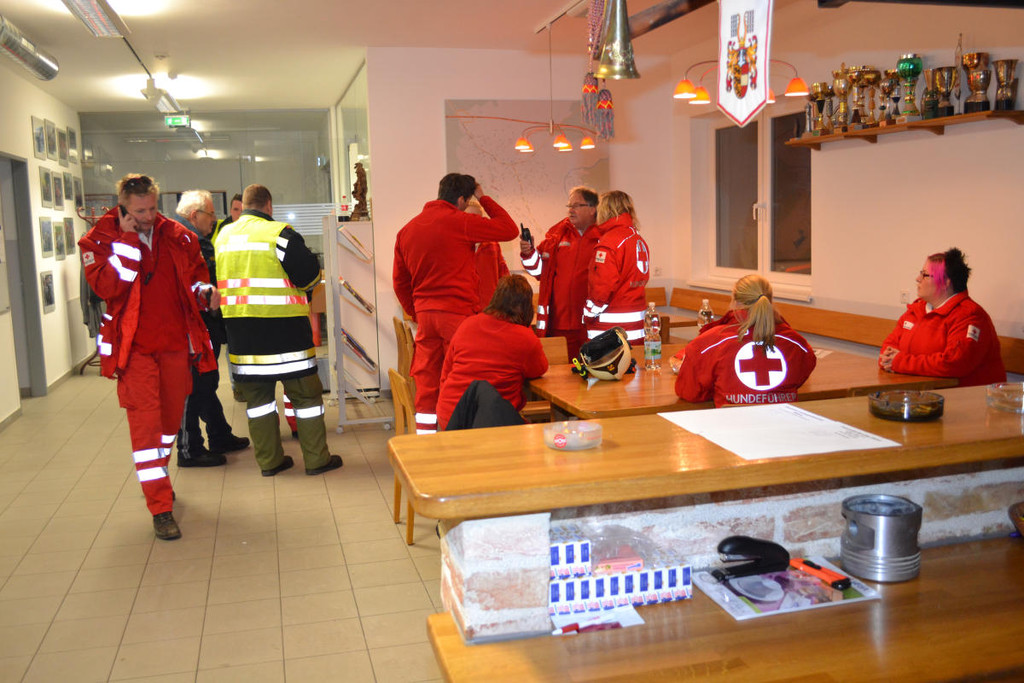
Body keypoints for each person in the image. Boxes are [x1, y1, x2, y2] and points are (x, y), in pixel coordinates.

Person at [78, 173, 218, 541]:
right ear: (123, 208)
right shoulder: (98, 240)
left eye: (153, 208)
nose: (148, 217)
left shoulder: (179, 235)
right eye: (139, 211)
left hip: (174, 347)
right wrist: (127, 241)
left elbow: (195, 279)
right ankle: (160, 507)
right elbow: (108, 287)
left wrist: (205, 292)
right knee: (145, 429)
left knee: (169, 426)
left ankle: (159, 478)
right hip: (135, 353)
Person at [215, 184, 343, 477]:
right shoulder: (280, 235)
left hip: (242, 337)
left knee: (258, 403)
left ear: (244, 205)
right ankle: (316, 460)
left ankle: (270, 462)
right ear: (269, 205)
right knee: (306, 398)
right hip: (287, 335)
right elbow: (309, 276)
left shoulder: (223, 237)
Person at [392, 173, 519, 434]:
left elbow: (400, 282)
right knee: (461, 379)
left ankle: (426, 441)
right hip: (458, 315)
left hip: (426, 317)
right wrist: (483, 196)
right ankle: (458, 439)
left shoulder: (407, 230)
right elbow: (509, 229)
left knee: (427, 380)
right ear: (461, 199)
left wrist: (417, 312)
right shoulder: (461, 222)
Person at [174, 190, 250, 467]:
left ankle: (219, 435)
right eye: (211, 213)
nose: (215, 219)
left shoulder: (190, 239)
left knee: (205, 382)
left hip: (202, 326)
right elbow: (209, 283)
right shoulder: (187, 242)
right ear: (195, 216)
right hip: (193, 327)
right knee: (193, 386)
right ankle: (189, 449)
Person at [673, 274, 817, 408]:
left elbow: (688, 392)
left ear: (735, 301)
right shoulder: (798, 344)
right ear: (770, 300)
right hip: (785, 423)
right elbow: (799, 377)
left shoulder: (710, 342)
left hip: (731, 425)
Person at [435, 275, 549, 430]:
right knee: (535, 436)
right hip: (486, 421)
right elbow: (539, 368)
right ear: (527, 307)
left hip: (449, 414)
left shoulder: (467, 324)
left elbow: (446, 371)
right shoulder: (525, 338)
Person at [879, 248, 1005, 386]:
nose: (918, 279)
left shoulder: (970, 316)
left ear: (945, 282)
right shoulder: (915, 311)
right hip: (918, 392)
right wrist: (889, 360)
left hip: (962, 396)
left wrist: (900, 362)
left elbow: (955, 363)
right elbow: (888, 347)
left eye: (925, 275)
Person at [520, 186, 602, 359]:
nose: (571, 210)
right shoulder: (557, 235)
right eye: (569, 206)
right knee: (560, 371)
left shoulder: (604, 238)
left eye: (576, 205)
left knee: (591, 369)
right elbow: (538, 271)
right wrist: (528, 253)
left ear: (592, 209)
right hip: (559, 323)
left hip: (592, 323)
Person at [583, 190, 650, 345]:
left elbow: (602, 287)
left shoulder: (609, 242)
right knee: (635, 361)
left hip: (610, 331)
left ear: (605, 210)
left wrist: (588, 314)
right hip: (637, 326)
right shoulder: (637, 238)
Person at [465, 197, 510, 307]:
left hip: (489, 308)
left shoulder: (493, 244)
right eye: (470, 218)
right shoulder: (454, 246)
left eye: (478, 218)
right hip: (463, 309)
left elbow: (504, 277)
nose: (474, 222)